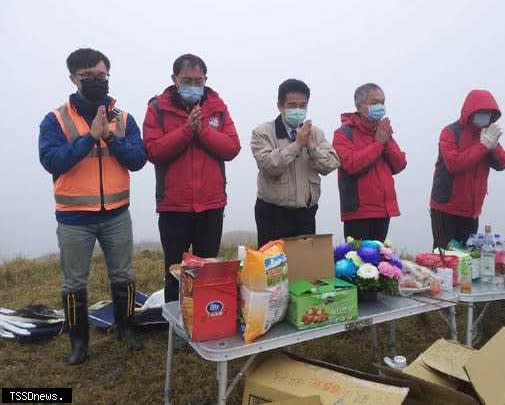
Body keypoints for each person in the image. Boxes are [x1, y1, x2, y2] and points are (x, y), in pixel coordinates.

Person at [38, 48, 147, 364]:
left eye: (101, 76)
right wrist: (89, 138)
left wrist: (110, 138)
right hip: (74, 219)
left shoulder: (123, 118)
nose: (96, 81)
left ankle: (126, 329)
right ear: (73, 78)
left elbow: (138, 160)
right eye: (88, 77)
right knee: (74, 283)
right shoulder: (55, 119)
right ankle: (78, 343)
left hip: (116, 213)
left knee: (123, 275)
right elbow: (51, 160)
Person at [143, 54, 241, 303]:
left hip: (211, 204)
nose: (194, 86)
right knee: (175, 272)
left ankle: (207, 321)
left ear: (206, 79)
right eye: (187, 80)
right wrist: (187, 130)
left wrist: (203, 131)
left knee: (207, 270)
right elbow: (153, 151)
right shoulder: (158, 108)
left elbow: (232, 148)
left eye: (199, 80)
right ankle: (174, 329)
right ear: (174, 79)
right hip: (174, 205)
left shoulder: (217, 106)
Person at [251, 79, 340, 248]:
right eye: (292, 105)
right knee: (274, 269)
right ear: (280, 106)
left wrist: (312, 147)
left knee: (303, 268)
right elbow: (269, 166)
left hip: (306, 213)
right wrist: (297, 144)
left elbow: (331, 164)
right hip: (273, 213)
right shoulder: (262, 133)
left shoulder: (315, 133)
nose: (297, 110)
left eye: (302, 105)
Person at [429, 89, 505, 250]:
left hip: (471, 211)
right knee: (443, 257)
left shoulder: (487, 134)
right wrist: (483, 146)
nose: (484, 116)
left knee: (466, 259)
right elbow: (454, 164)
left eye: (488, 113)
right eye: (481, 112)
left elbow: (502, 164)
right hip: (446, 208)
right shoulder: (450, 132)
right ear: (470, 111)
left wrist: (493, 148)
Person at [332, 83, 407, 242]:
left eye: (382, 102)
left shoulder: (382, 131)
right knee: (358, 263)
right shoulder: (343, 134)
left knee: (379, 262)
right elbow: (351, 165)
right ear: (359, 106)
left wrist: (385, 142)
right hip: (358, 212)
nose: (380, 106)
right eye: (374, 102)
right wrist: (378, 144)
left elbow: (400, 164)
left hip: (384, 209)